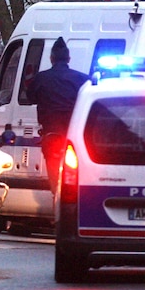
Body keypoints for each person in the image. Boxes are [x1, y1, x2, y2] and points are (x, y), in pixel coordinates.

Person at [27, 37, 88, 194]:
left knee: (55, 181)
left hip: (51, 134)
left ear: (51, 58)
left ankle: (57, 201)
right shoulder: (82, 79)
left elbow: (31, 98)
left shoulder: (41, 78)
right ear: (69, 59)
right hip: (74, 135)